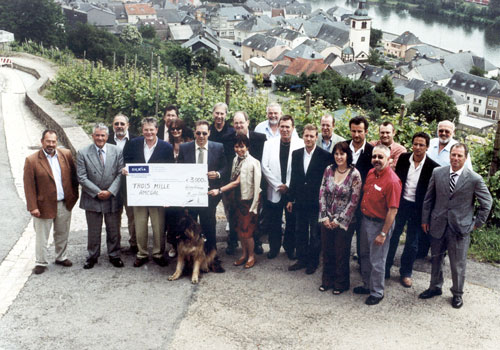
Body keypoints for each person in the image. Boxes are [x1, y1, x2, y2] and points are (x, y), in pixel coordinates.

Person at [419, 143, 492, 309]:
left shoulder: (474, 179)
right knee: (436, 259)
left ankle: (457, 293)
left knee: (457, 264)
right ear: (449, 155)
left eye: (460, 156)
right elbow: (429, 198)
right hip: (437, 224)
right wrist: (425, 219)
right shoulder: (438, 173)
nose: (456, 158)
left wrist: (476, 224)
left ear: (465, 158)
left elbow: (487, 203)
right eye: (453, 155)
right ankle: (435, 287)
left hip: (460, 228)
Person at [385, 132, 439, 287]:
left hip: (418, 208)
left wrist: (426, 217)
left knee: (412, 242)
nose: (417, 147)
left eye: (421, 145)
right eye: (415, 144)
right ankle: (386, 268)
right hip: (400, 204)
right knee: (392, 236)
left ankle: (406, 272)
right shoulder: (403, 159)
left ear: (427, 147)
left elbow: (432, 194)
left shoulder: (433, 167)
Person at [23, 130, 79, 275]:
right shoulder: (32, 160)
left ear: (57, 142)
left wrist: (73, 197)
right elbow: (28, 186)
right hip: (43, 205)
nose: (51, 144)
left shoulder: (65, 155)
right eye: (48, 141)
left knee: (62, 232)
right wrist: (32, 207)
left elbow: (74, 177)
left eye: (54, 141)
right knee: (42, 236)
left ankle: (61, 257)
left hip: (64, 203)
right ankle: (40, 262)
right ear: (42, 141)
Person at [122, 117, 174, 268]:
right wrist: (125, 169)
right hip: (139, 193)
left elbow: (170, 170)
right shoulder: (133, 144)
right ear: (142, 130)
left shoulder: (166, 147)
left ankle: (158, 253)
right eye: (146, 130)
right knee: (140, 224)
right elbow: (126, 161)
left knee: (158, 224)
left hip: (158, 193)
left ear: (157, 130)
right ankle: (142, 253)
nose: (149, 133)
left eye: (152, 130)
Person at [354, 144, 402, 306]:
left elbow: (393, 210)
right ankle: (367, 285)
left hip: (380, 224)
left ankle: (377, 292)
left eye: (380, 157)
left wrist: (383, 233)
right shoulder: (370, 173)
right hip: (365, 221)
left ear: (389, 159)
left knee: (377, 260)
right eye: (374, 156)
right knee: (365, 256)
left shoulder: (393, 181)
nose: (376, 160)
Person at [178, 120, 227, 273]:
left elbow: (226, 168)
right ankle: (189, 261)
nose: (201, 136)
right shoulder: (185, 148)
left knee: (209, 228)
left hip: (208, 195)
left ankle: (213, 260)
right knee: (189, 228)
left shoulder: (218, 147)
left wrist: (218, 174)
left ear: (209, 133)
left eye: (204, 133)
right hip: (191, 195)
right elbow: (178, 169)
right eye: (198, 133)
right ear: (194, 133)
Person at [209, 134, 261, 268]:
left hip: (247, 201)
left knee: (247, 232)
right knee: (239, 230)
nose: (239, 149)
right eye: (237, 146)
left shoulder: (253, 162)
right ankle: (243, 255)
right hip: (236, 201)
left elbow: (236, 182)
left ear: (247, 146)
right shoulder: (235, 160)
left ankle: (251, 256)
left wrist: (219, 190)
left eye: (242, 146)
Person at [286, 124, 333, 275]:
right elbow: (294, 178)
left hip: (316, 202)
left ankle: (313, 262)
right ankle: (301, 259)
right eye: (306, 135)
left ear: (316, 137)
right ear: (303, 136)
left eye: (312, 136)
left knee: (314, 233)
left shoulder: (324, 156)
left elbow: (327, 182)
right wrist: (290, 199)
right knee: (300, 231)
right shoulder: (296, 154)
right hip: (299, 201)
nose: (308, 139)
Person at [421, 120, 472, 258]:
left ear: (453, 132)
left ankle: (438, 255)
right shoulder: (430, 144)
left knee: (442, 225)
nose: (443, 133)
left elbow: (466, 175)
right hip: (427, 189)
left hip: (446, 194)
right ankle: (422, 251)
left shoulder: (458, 150)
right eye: (441, 130)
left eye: (447, 131)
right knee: (426, 220)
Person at [77, 124, 124, 269]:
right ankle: (92, 256)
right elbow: (81, 177)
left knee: (114, 229)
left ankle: (114, 255)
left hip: (112, 196)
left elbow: (120, 174)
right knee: (93, 230)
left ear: (107, 136)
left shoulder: (117, 151)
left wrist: (110, 191)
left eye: (103, 135)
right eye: (97, 135)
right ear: (93, 136)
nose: (100, 138)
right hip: (92, 197)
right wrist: (97, 192)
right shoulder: (83, 153)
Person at [318, 142, 362, 294]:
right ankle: (327, 280)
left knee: (341, 253)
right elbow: (322, 192)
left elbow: (354, 201)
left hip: (344, 221)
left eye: (342, 154)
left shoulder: (354, 174)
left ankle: (341, 283)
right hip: (326, 219)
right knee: (327, 251)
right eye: (336, 154)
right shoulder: (328, 170)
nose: (338, 157)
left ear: (347, 155)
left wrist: (338, 220)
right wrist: (324, 216)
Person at [222, 111, 266, 255]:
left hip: (252, 185)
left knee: (252, 218)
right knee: (233, 216)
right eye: (236, 123)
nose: (239, 125)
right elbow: (227, 161)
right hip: (234, 187)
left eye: (241, 122)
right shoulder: (227, 139)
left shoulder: (260, 138)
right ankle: (233, 242)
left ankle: (256, 244)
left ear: (247, 122)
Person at [261, 115, 303, 259]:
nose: (284, 130)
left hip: (292, 190)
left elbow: (300, 169)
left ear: (293, 128)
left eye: (287, 127)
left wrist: (289, 186)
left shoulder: (300, 144)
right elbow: (264, 166)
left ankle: (290, 248)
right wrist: (278, 185)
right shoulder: (269, 144)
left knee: (291, 221)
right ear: (278, 127)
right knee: (274, 221)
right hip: (275, 189)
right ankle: (274, 248)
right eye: (282, 126)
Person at [107, 113, 137, 254]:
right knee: (114, 217)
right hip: (112, 185)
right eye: (116, 124)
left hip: (130, 186)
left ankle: (134, 244)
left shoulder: (136, 141)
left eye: (122, 124)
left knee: (132, 216)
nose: (119, 126)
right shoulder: (106, 140)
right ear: (113, 125)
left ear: (128, 125)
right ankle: (115, 245)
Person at [346, 116, 374, 261]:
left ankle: (363, 268)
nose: (356, 135)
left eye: (360, 131)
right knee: (344, 238)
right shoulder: (342, 148)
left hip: (363, 202)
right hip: (343, 202)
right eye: (353, 131)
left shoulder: (372, 152)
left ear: (366, 132)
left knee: (362, 239)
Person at [164, 117, 191, 258]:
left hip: (184, 185)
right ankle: (173, 246)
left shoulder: (189, 144)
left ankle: (185, 245)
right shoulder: (166, 145)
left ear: (182, 129)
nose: (175, 131)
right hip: (170, 186)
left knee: (184, 216)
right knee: (170, 217)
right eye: (172, 129)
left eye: (178, 129)